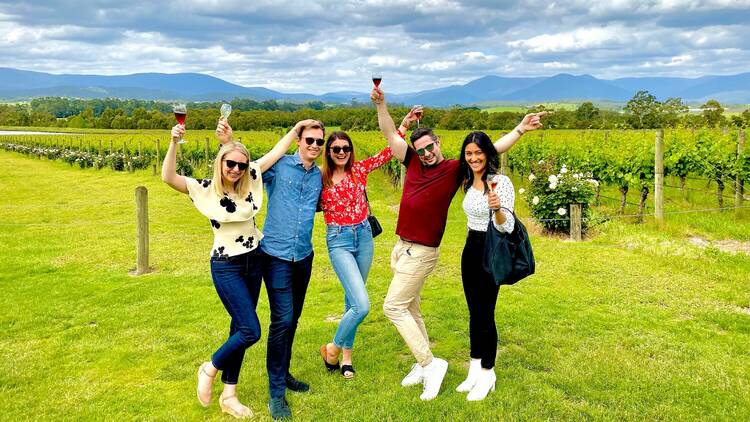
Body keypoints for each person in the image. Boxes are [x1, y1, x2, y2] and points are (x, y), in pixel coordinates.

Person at [370, 87, 544, 401]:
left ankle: (437, 366)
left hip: (431, 249)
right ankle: (434, 367)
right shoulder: (412, 162)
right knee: (415, 308)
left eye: (429, 147)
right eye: (420, 149)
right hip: (405, 246)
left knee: (396, 307)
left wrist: (519, 129)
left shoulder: (454, 169)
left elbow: (488, 150)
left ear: (439, 144)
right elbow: (389, 135)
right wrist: (384, 106)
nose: (425, 153)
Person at [161, 118, 300, 419]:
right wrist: (174, 142)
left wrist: (296, 130)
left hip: (255, 260)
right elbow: (168, 176)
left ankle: (230, 395)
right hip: (226, 266)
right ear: (220, 163)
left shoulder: (249, 178)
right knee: (251, 330)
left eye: (241, 164)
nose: (236, 169)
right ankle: (209, 368)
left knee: (239, 327)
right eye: (230, 164)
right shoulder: (205, 189)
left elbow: (276, 152)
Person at [257, 119, 326, 420]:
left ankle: (284, 374)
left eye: (318, 142)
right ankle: (275, 393)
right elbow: (253, 170)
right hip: (276, 256)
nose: (314, 146)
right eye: (309, 140)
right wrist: (292, 130)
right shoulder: (279, 166)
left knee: (293, 319)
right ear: (299, 140)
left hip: (303, 257)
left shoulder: (318, 177)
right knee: (281, 320)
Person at [318, 132, 393, 379]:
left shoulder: (359, 170)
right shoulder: (320, 177)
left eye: (346, 148)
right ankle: (332, 349)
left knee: (352, 301)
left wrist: (403, 126)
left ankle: (346, 359)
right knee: (362, 305)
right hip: (338, 240)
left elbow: (387, 153)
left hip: (363, 236)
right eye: (336, 148)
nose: (341, 152)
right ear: (328, 151)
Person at [456, 131, 515, 401]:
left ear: (488, 154)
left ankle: (488, 372)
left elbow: (508, 226)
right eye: (469, 153)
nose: (474, 158)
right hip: (471, 249)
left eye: (479, 153)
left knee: (485, 313)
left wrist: (498, 209)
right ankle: (474, 368)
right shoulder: (468, 180)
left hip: (491, 249)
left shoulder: (500, 182)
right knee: (473, 312)